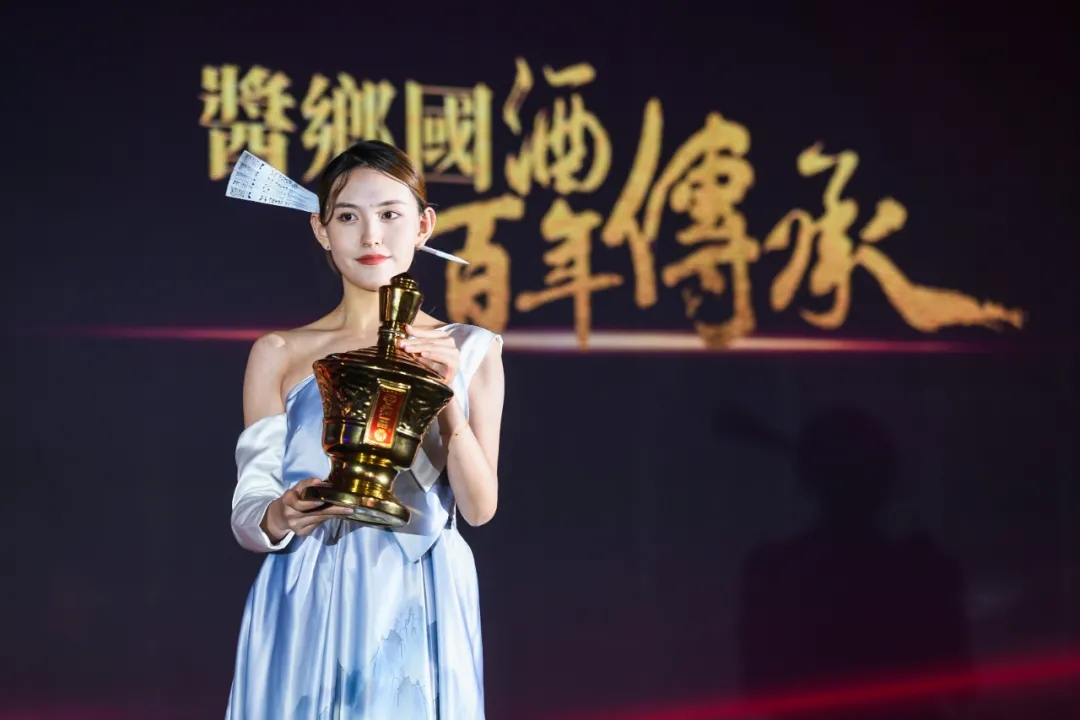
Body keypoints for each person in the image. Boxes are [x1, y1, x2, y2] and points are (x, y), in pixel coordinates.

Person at [225, 140, 504, 719]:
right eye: (349, 216)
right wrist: (281, 514)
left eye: (390, 214)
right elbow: (249, 510)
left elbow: (479, 509)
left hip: (421, 587)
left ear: (423, 225)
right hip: (309, 586)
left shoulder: (470, 348)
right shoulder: (279, 353)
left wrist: (446, 397)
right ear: (321, 230)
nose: (371, 235)